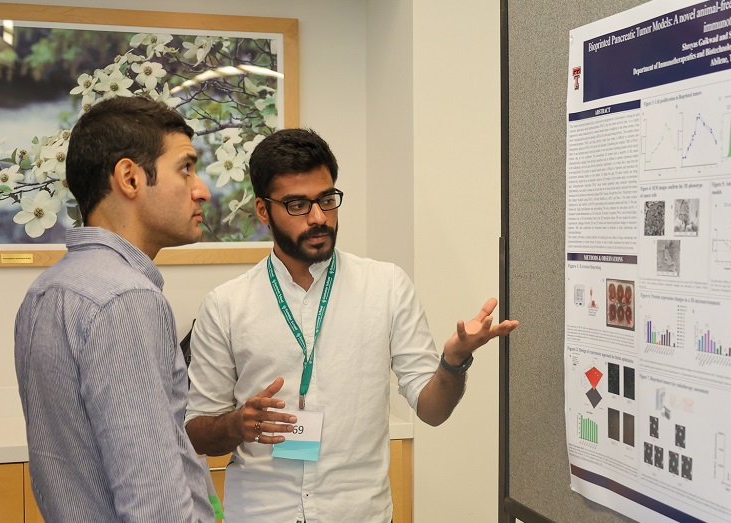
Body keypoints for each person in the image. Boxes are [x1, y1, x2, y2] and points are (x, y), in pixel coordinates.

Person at [184, 128, 518, 522]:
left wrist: (453, 363)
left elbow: (432, 411)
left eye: (327, 199)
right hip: (262, 512)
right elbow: (196, 433)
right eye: (297, 205)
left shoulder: (386, 286)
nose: (318, 217)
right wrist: (237, 425)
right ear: (263, 211)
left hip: (359, 512)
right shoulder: (225, 306)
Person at [14, 96, 215, 522]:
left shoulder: (47, 290)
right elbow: (154, 504)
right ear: (130, 177)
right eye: (186, 168)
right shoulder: (127, 300)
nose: (202, 190)